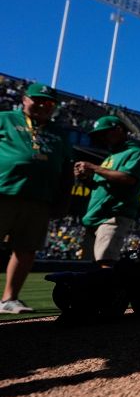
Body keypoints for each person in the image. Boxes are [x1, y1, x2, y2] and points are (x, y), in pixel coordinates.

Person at [0, 82, 73, 313]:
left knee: (27, 249)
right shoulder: (6, 119)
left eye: (48, 102)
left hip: (39, 199)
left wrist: (63, 200)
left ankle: (9, 299)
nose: (42, 105)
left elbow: (66, 169)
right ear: (24, 99)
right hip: (4, 191)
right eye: (37, 99)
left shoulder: (59, 134)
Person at [74, 116, 140, 268]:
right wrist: (85, 178)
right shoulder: (110, 157)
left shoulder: (135, 153)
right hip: (95, 216)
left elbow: (128, 178)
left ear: (119, 129)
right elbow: (100, 187)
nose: (102, 138)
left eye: (105, 133)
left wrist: (94, 168)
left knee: (105, 263)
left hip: (113, 215)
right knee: (88, 268)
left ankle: (108, 293)